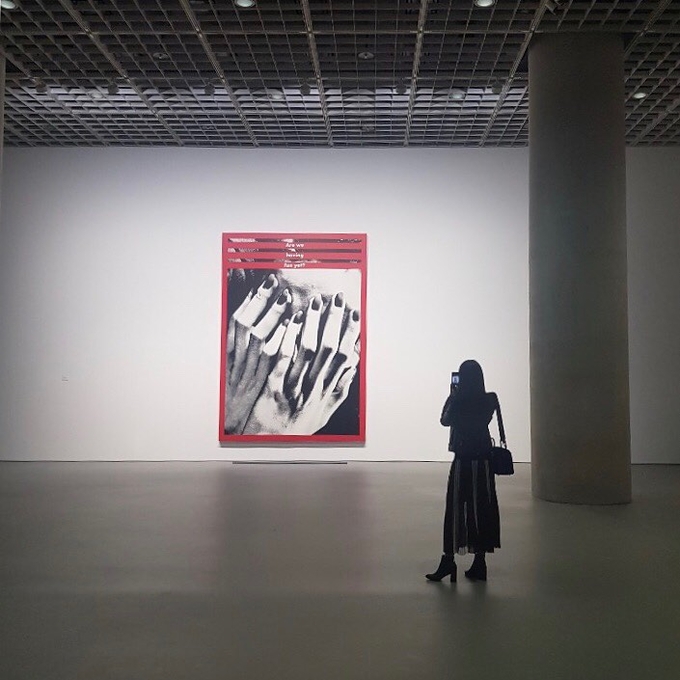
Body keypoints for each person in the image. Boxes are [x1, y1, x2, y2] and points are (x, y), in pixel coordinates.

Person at [426, 359, 502, 583]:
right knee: (482, 509)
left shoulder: (459, 401)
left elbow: (444, 420)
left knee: (456, 510)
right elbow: (482, 420)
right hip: (484, 462)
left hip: (463, 461)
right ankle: (480, 562)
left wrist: (453, 396)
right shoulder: (490, 400)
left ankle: (448, 560)